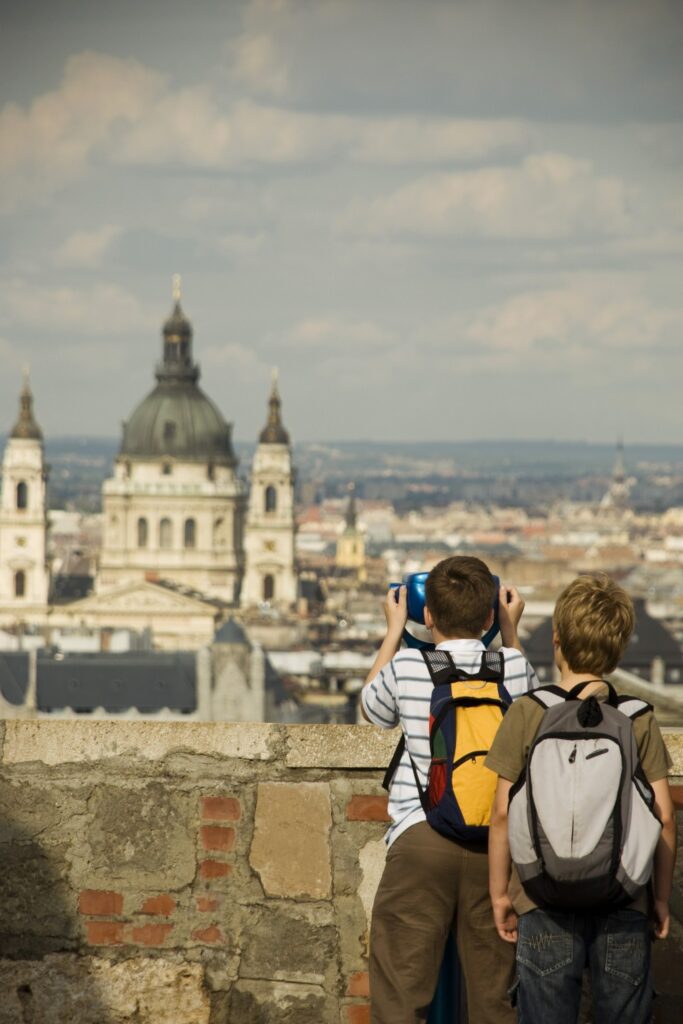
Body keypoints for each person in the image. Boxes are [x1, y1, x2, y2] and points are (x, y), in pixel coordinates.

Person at [487, 573, 677, 1024]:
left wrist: (499, 894)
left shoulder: (527, 712)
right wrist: (661, 899)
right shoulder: (638, 719)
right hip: (624, 900)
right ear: (618, 650)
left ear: (556, 640)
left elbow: (500, 814)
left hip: (542, 900)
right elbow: (664, 819)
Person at [361, 554, 539, 1024]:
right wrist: (511, 630)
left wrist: (395, 629)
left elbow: (372, 710)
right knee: (495, 997)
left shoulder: (409, 667)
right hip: (496, 846)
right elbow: (535, 714)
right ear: (488, 617)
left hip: (421, 836)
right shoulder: (515, 669)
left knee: (401, 991)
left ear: (429, 615)